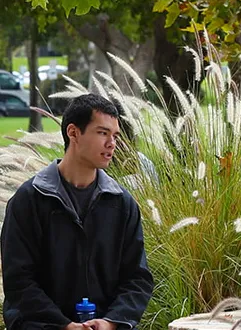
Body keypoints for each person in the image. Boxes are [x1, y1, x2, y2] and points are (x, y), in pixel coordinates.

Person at [2, 94, 153, 330]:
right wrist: (64, 325)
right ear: (73, 133)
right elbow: (18, 281)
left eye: (115, 136)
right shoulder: (29, 200)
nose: (112, 143)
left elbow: (138, 278)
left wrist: (111, 322)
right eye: (102, 133)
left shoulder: (122, 203)